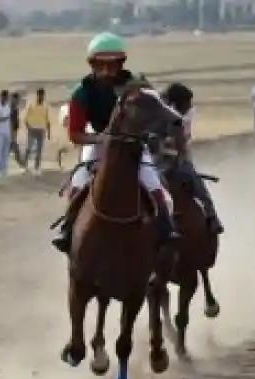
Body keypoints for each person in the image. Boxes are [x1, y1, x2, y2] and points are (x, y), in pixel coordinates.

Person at [51, 32, 179, 253]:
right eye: (102, 65)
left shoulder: (137, 85)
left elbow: (155, 111)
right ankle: (67, 229)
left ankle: (167, 227)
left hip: (134, 143)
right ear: (93, 64)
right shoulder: (81, 93)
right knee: (79, 182)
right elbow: (75, 134)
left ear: (121, 64)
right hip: (97, 141)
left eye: (113, 65)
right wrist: (103, 139)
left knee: (153, 184)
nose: (107, 71)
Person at [161, 82, 224, 235]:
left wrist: (177, 150)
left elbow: (183, 142)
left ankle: (211, 216)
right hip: (157, 161)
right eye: (187, 104)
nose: (189, 107)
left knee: (197, 183)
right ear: (175, 104)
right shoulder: (159, 114)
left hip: (178, 160)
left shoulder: (180, 118)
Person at [23, 87, 51, 175]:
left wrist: (49, 131)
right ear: (37, 95)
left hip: (41, 130)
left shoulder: (45, 106)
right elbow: (26, 117)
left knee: (39, 150)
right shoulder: (31, 104)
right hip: (32, 129)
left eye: (42, 95)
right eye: (39, 95)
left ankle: (36, 167)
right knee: (29, 148)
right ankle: (24, 166)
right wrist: (28, 126)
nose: (41, 97)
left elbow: (47, 119)